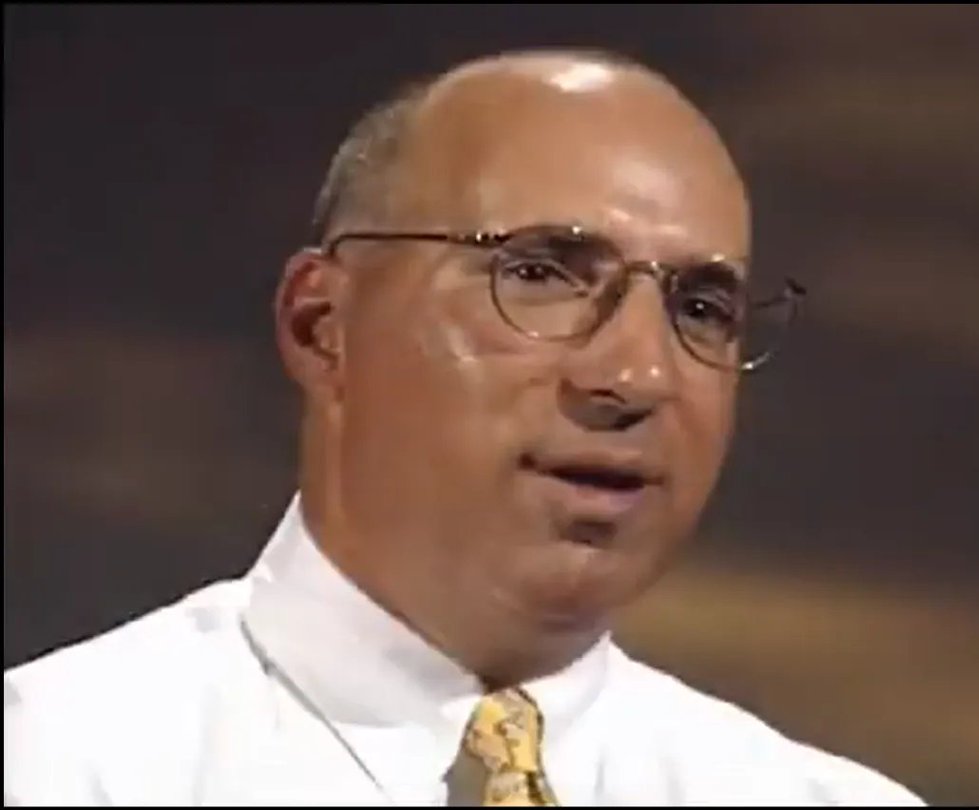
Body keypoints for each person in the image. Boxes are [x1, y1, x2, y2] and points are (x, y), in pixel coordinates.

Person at [4, 50, 923, 806]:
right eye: (541, 274)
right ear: (323, 326)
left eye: (702, 307)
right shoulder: (58, 768)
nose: (639, 375)